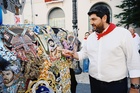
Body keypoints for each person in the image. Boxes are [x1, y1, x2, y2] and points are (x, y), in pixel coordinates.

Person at [60, 5, 140, 93]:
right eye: (90, 19)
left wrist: (135, 87)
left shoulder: (123, 34)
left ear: (104, 18)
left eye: (94, 19)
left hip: (116, 86)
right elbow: (84, 53)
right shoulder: (91, 37)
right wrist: (72, 54)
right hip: (94, 83)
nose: (91, 22)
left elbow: (133, 60)